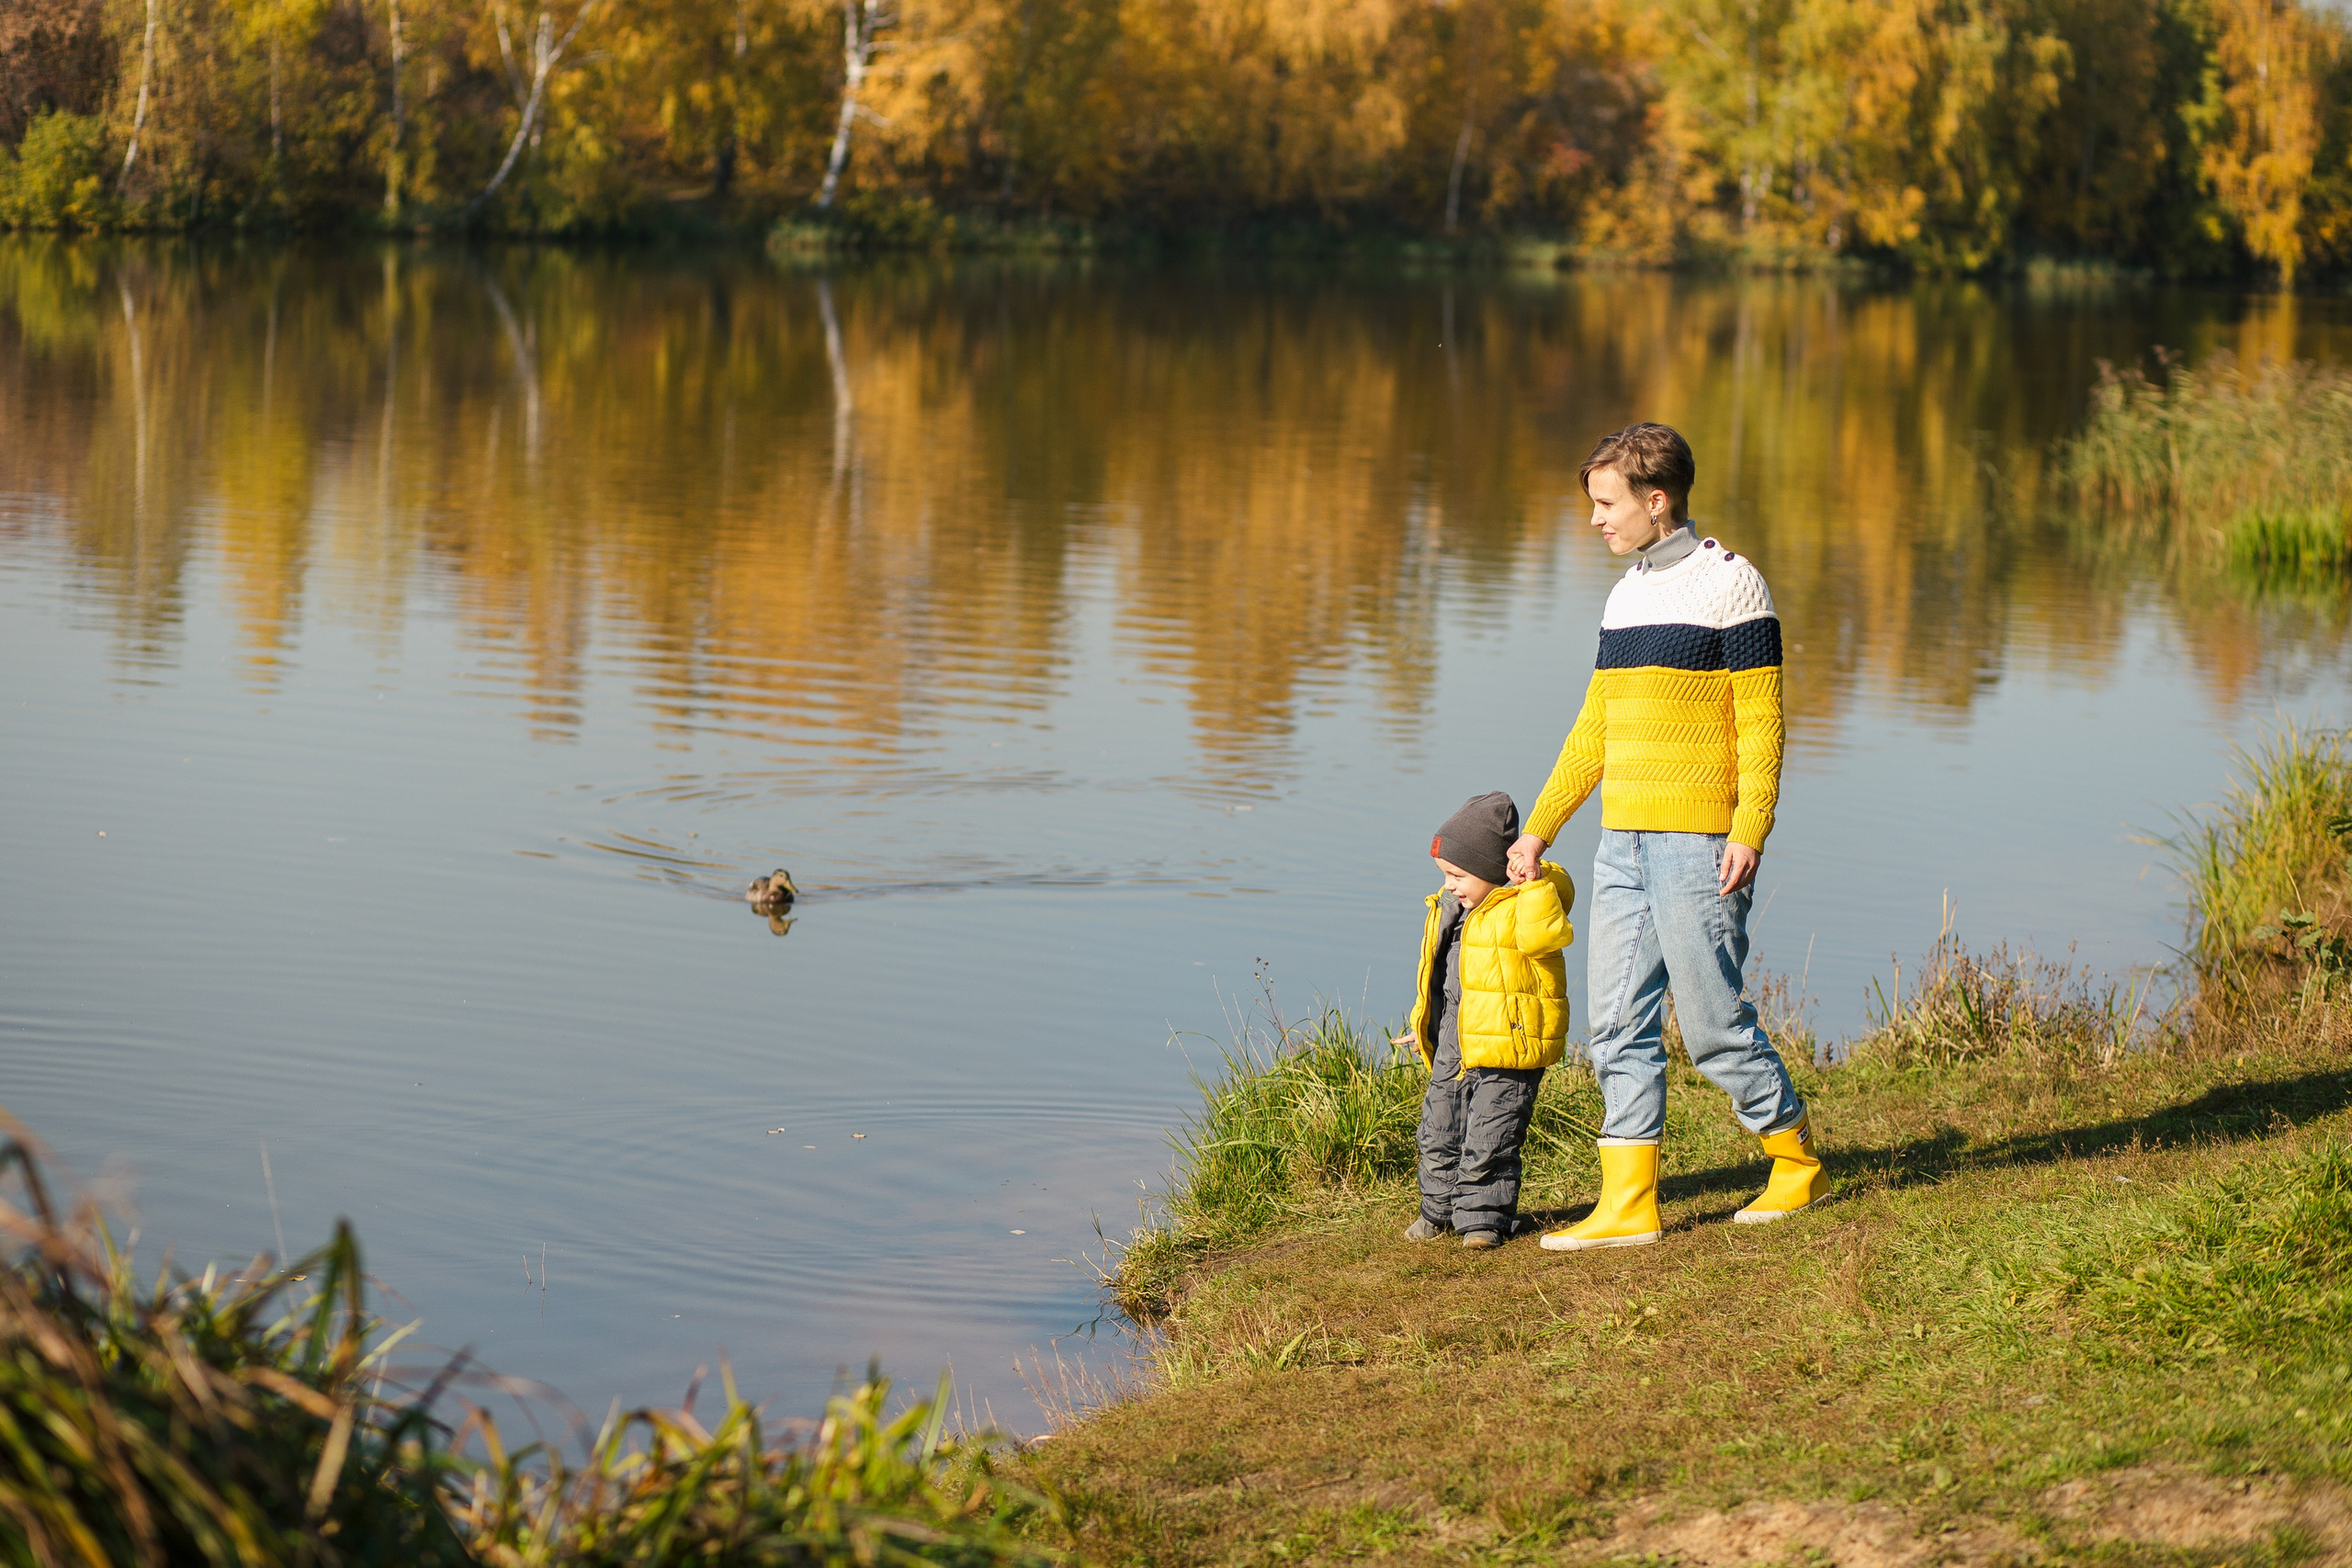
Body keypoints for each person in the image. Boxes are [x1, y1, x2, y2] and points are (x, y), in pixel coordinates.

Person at [1502, 423, 1827, 1253]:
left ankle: (1793, 1159)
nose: (1594, 520)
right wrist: (1540, 827)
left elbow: (1763, 725)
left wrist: (1750, 828)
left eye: (1606, 504)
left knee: (1714, 1021)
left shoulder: (1733, 586)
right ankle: (1630, 1203)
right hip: (1623, 844)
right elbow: (1595, 727)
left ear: (1657, 500)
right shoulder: (1626, 594)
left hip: (1699, 844)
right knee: (1615, 1022)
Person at [1394, 792, 1576, 1249]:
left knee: (1491, 1134)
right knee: (1439, 1126)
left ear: (1493, 870)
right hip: (1457, 1037)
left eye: (1459, 875)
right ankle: (1436, 1211)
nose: (1450, 885)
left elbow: (1546, 936)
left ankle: (1481, 1219)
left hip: (1508, 1045)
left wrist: (1532, 882)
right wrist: (1423, 1023)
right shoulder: (1453, 910)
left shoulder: (1526, 904)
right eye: (1445, 875)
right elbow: (1436, 975)